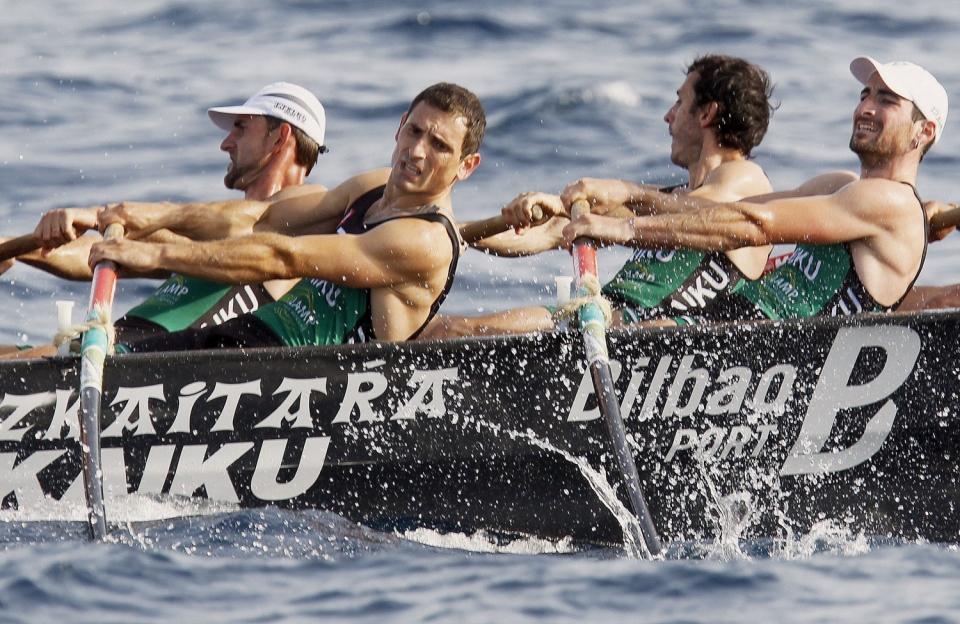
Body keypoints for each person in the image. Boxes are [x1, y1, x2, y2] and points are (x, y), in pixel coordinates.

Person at [87, 82, 485, 351]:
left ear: (466, 166)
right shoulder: (373, 186)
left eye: (438, 146)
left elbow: (285, 257)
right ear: (399, 127)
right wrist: (152, 217)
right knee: (99, 355)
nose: (416, 151)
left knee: (112, 358)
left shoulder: (424, 241)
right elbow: (261, 221)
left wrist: (154, 255)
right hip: (248, 341)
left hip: (302, 378)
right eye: (414, 132)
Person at [560, 57, 944, 323]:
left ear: (923, 132)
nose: (866, 107)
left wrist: (625, 231)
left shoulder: (893, 202)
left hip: (777, 360)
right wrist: (627, 197)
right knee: (638, 327)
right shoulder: (840, 185)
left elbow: (753, 225)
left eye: (886, 100)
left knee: (650, 331)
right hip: (731, 325)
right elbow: (720, 211)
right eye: (865, 95)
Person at [422, 55, 780, 339]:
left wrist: (626, 191)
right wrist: (451, 234)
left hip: (650, 342)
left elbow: (711, 211)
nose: (668, 116)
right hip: (599, 321)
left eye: (679, 103)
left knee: (449, 331)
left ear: (707, 113)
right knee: (439, 330)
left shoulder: (745, 180)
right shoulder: (670, 198)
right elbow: (546, 234)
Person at [4, 83, 327, 358]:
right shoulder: (210, 240)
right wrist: (16, 250)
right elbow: (101, 253)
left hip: (141, 367)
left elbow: (259, 229)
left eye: (240, 128)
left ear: (280, 138)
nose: (226, 143)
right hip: (107, 348)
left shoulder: (305, 217)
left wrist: (99, 216)